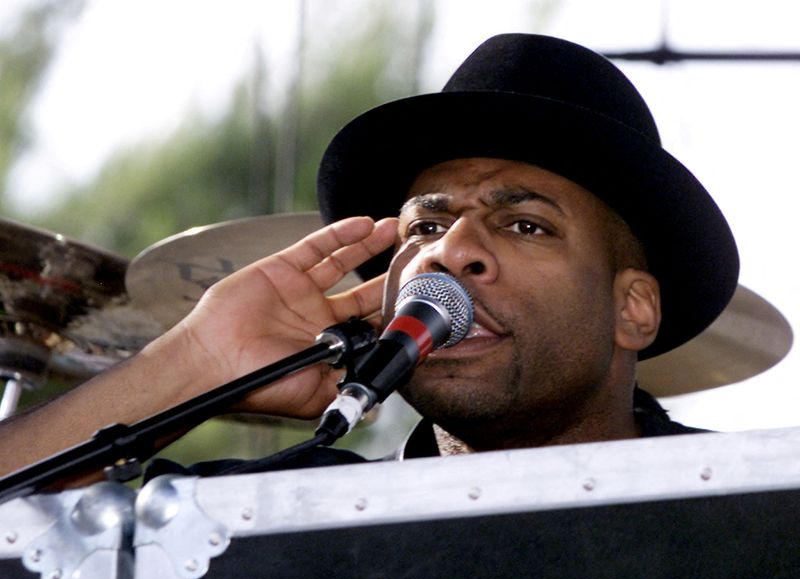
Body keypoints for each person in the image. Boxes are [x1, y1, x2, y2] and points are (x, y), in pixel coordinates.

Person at [0, 33, 738, 483]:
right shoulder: (279, 519)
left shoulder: (757, 506)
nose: (451, 250)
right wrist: (198, 359)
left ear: (633, 307)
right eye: (425, 226)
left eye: (525, 226)